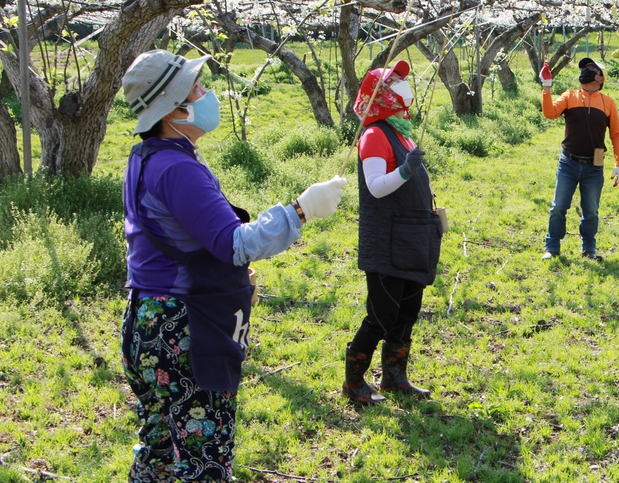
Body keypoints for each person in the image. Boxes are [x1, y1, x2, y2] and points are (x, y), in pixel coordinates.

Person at [120, 50, 346, 481]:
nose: (207, 95)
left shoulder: (144, 157)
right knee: (203, 453)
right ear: (173, 109)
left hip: (145, 321)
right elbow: (233, 244)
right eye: (197, 90)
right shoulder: (177, 168)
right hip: (184, 327)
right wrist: (301, 210)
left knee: (161, 448)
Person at [344, 59, 443, 404]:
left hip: (411, 237)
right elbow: (376, 187)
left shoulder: (401, 130)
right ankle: (354, 381)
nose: (404, 85)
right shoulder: (373, 135)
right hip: (387, 242)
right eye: (396, 82)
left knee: (407, 311)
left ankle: (395, 377)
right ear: (381, 95)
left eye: (403, 80)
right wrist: (405, 171)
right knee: (382, 315)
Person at [540, 57, 619, 261]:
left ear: (602, 78)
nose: (586, 71)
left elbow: (616, 134)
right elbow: (550, 113)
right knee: (558, 207)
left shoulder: (608, 103)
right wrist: (547, 86)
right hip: (568, 163)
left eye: (592, 69)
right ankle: (552, 247)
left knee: (591, 211)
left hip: (594, 166)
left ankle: (589, 249)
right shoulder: (569, 96)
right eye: (585, 68)